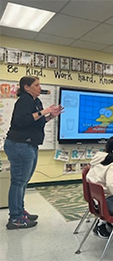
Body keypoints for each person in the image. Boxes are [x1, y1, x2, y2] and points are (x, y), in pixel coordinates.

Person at [4, 76, 63, 230]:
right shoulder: (24, 100)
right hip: (20, 145)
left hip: (29, 145)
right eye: (36, 85)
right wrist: (44, 111)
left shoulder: (36, 101)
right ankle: (15, 218)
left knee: (23, 181)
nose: (39, 87)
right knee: (18, 181)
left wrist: (51, 115)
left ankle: (20, 211)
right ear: (26, 87)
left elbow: (37, 121)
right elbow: (21, 121)